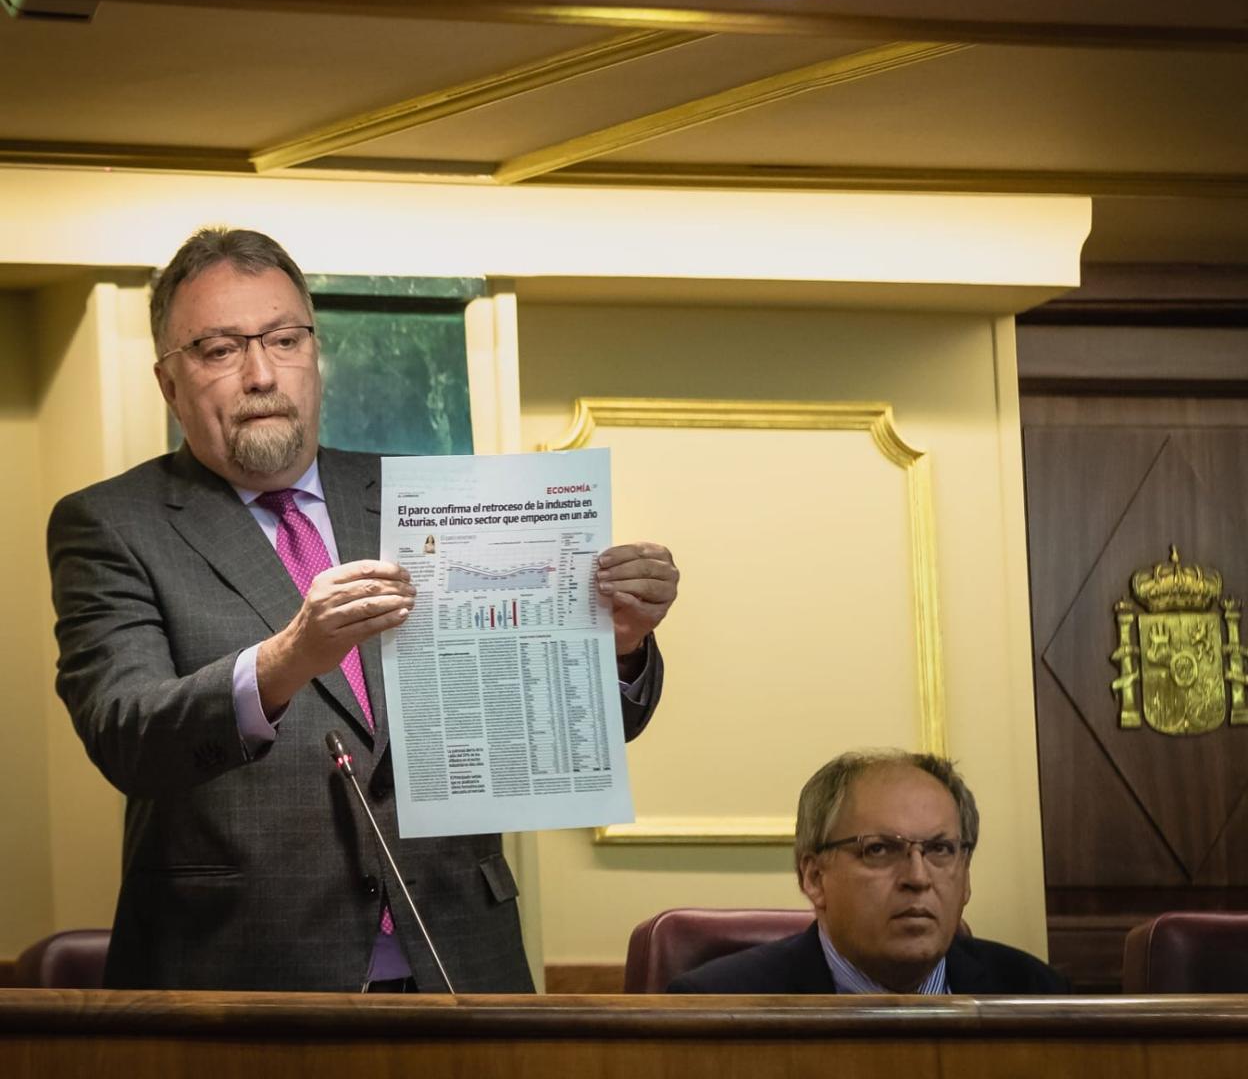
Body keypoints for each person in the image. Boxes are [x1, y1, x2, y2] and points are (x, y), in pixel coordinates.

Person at [48, 226, 678, 993]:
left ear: (315, 358)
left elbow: (546, 719)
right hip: (241, 972)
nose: (260, 375)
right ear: (169, 384)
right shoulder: (113, 524)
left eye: (284, 340)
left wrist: (614, 645)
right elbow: (127, 735)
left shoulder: (435, 497)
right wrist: (285, 662)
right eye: (219, 350)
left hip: (460, 960)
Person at [668, 749, 1069, 994]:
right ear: (814, 878)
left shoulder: (1037, 993)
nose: (918, 878)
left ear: (965, 875)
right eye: (879, 850)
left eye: (940, 850)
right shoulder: (717, 1004)